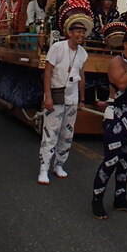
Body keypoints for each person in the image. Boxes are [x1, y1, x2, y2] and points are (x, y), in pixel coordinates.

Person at [92, 29, 127, 219]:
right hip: (116, 116)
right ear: (125, 44)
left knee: (126, 161)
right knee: (111, 160)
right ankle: (97, 199)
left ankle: (120, 198)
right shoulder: (116, 62)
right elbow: (122, 83)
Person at [38, 21, 88, 185]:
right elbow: (47, 72)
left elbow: (82, 76)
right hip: (56, 94)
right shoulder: (57, 47)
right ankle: (44, 169)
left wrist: (82, 99)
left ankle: (59, 164)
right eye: (78, 31)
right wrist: (48, 96)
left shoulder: (83, 53)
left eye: (83, 32)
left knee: (67, 134)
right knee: (51, 132)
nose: (80, 35)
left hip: (72, 97)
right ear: (70, 33)